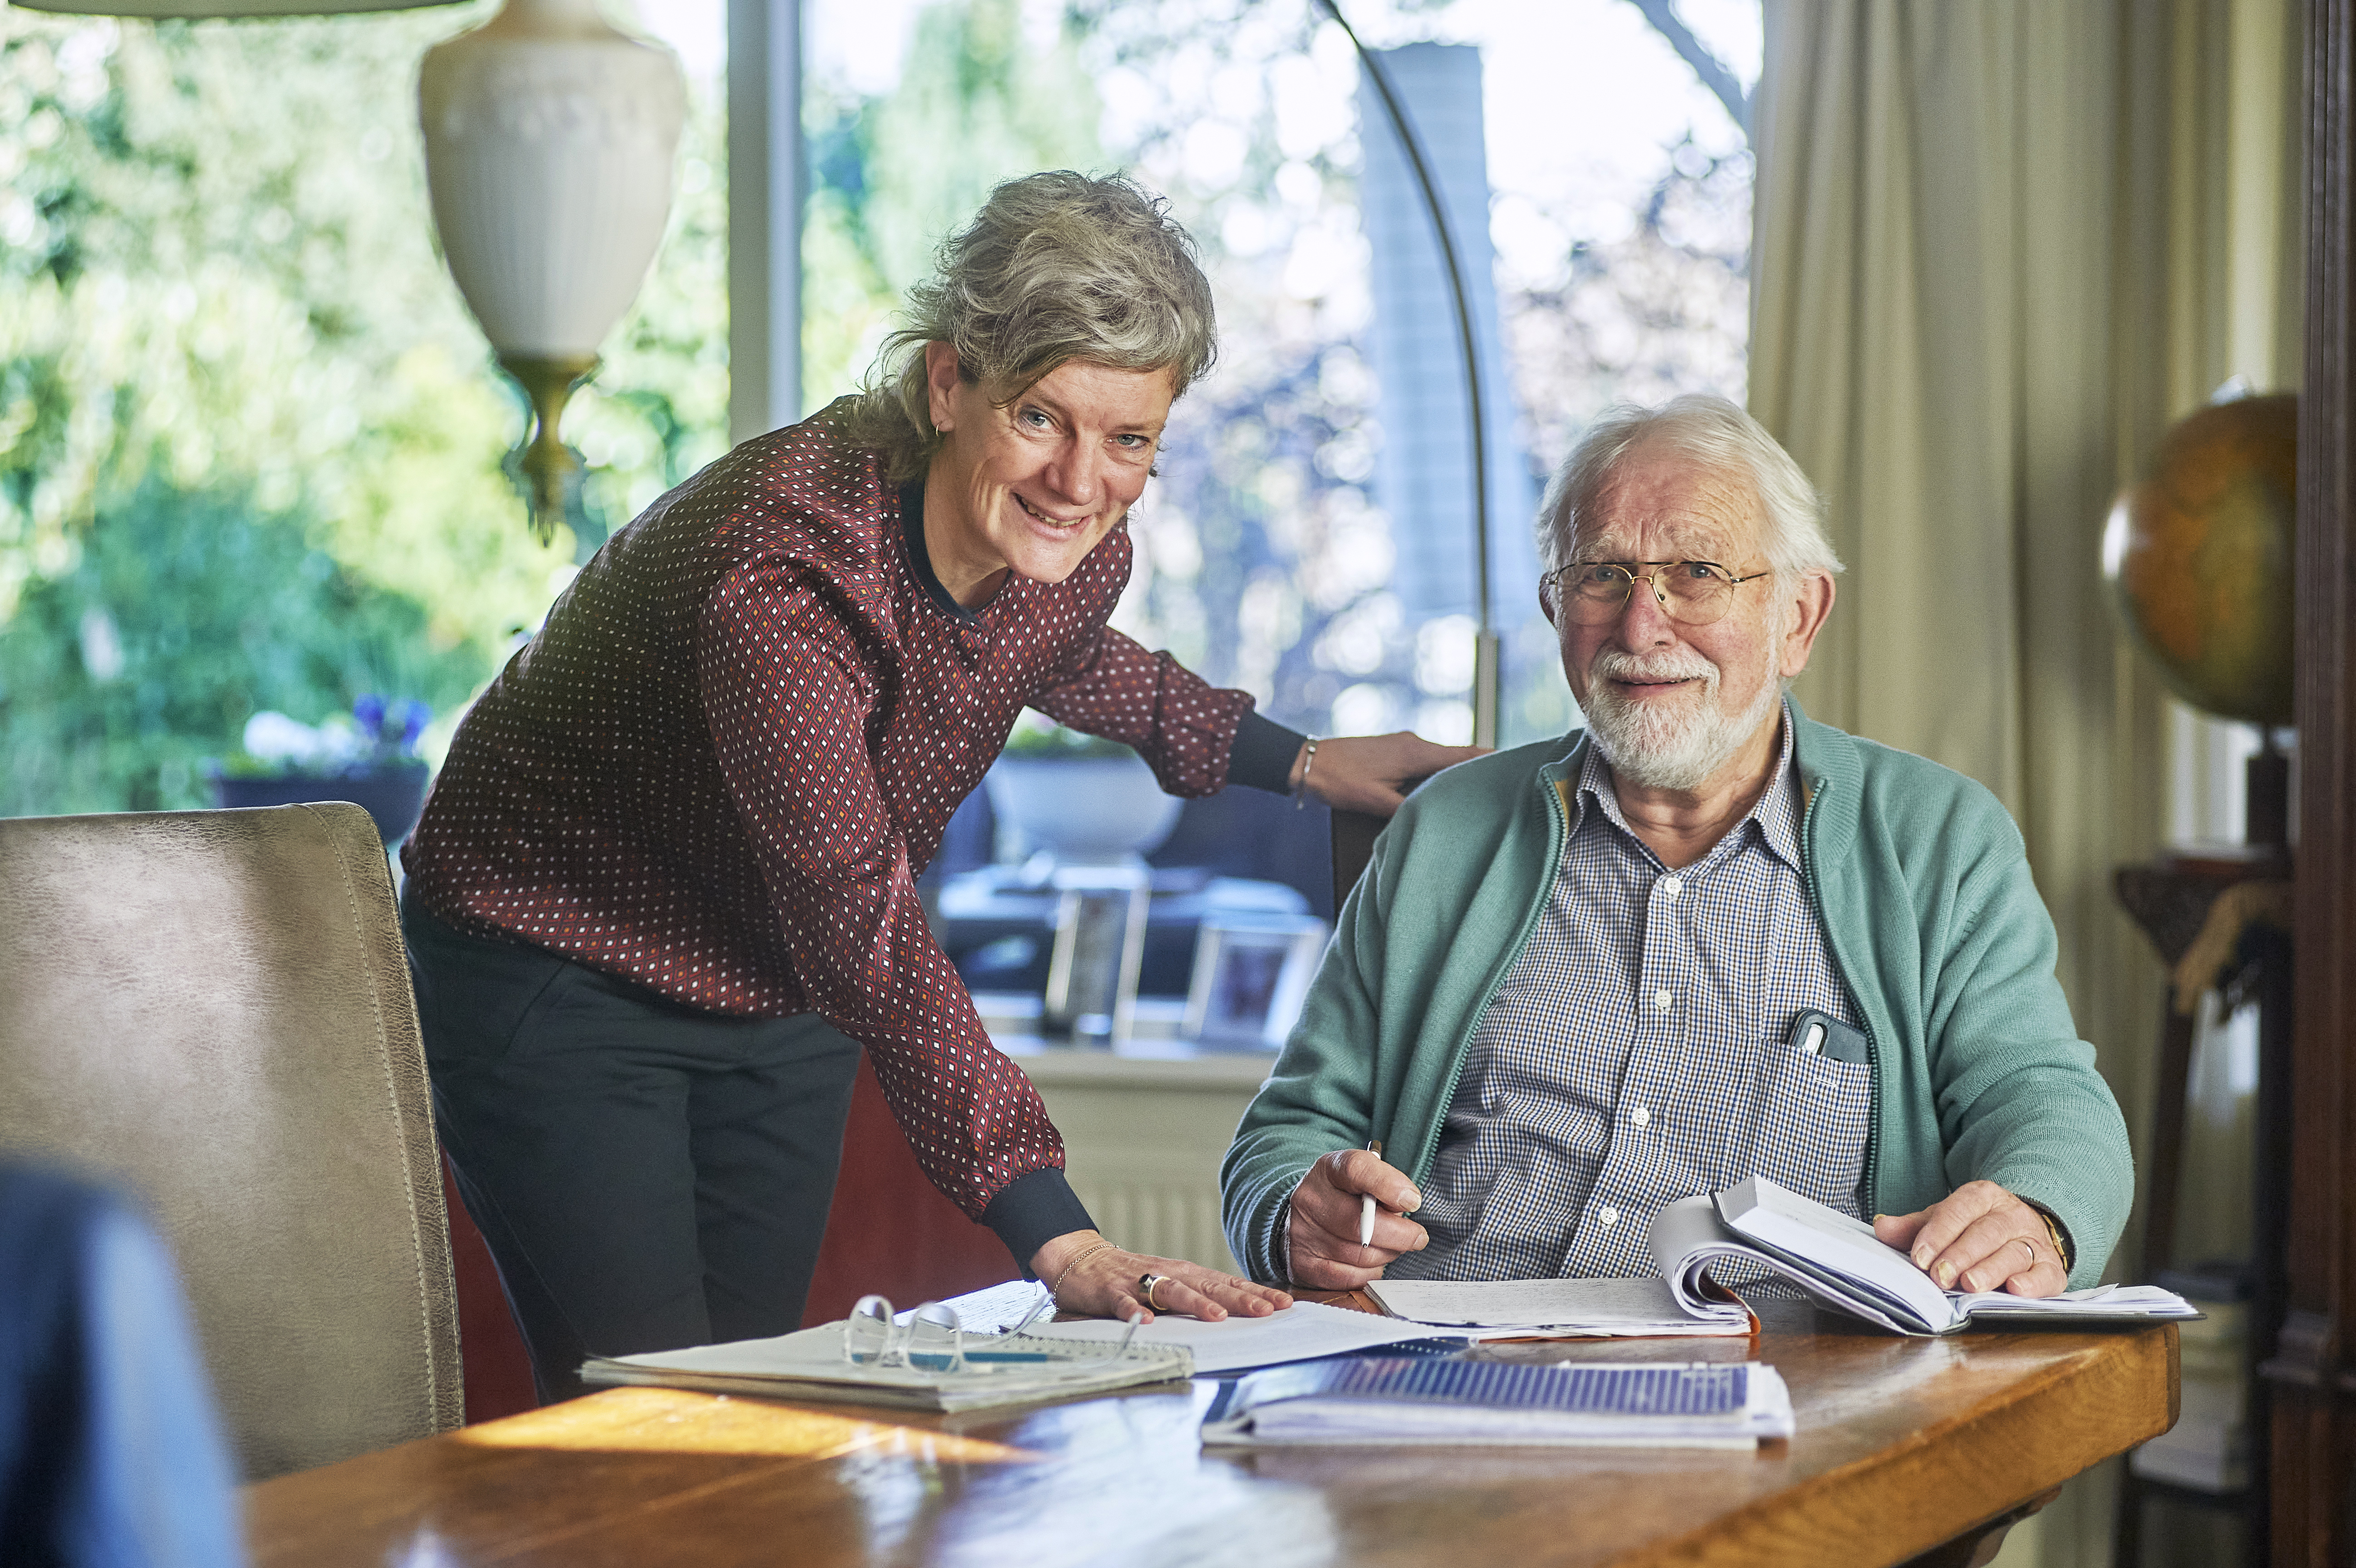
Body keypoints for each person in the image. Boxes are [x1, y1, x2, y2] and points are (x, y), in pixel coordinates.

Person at [400, 170, 1479, 1400]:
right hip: (559, 958)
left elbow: (1060, 648)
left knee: (749, 1399)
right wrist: (1057, 1233)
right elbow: (864, 927)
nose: (1082, 481)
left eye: (1129, 439)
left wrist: (1298, 760)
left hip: (772, 977)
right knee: (651, 1411)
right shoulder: (789, 580)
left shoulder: (1067, 537)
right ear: (949, 383)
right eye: (1041, 418)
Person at [1222, 394, 2134, 1301]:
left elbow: (2041, 1096)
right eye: (1601, 577)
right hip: (1450, 1368)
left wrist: (2033, 1213)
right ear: (1554, 609)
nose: (1640, 627)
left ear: (1798, 618)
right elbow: (1293, 1130)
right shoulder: (1446, 832)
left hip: (1790, 1391)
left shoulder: (1935, 840)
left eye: (1696, 572)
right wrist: (1294, 1212)